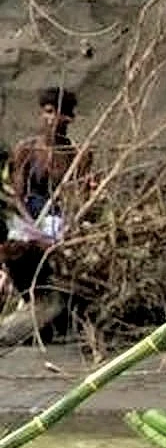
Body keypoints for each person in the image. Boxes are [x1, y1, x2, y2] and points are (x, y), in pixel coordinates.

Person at [2, 87, 92, 296]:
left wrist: (68, 224)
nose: (52, 119)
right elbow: (18, 196)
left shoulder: (78, 154)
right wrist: (32, 228)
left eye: (58, 113)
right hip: (29, 218)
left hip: (59, 220)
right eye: (48, 111)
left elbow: (79, 197)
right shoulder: (27, 149)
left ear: (69, 118)